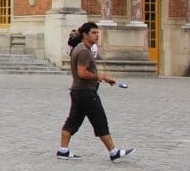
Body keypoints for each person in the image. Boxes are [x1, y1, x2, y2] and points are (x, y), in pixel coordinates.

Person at [58, 22, 135, 162]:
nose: (97, 35)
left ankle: (63, 150)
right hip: (86, 92)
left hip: (78, 91)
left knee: (73, 120)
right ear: (85, 35)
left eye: (97, 33)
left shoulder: (81, 48)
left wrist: (104, 78)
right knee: (100, 120)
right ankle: (113, 151)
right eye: (94, 33)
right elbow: (82, 73)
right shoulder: (84, 51)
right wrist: (98, 76)